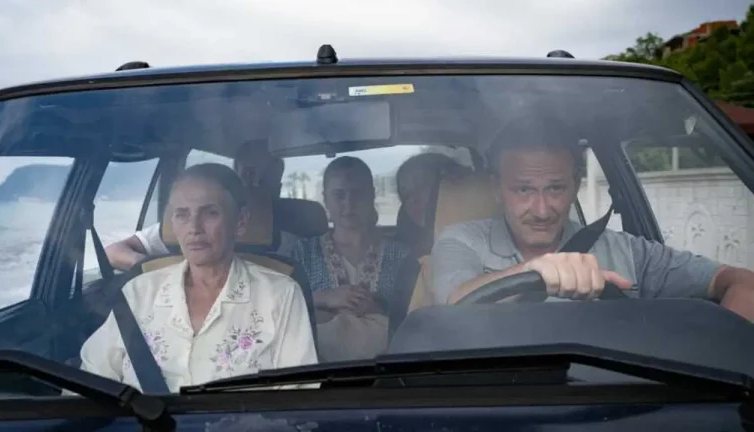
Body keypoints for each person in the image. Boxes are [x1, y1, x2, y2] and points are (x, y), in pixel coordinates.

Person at [429, 124, 754, 321]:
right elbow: (453, 301)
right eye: (523, 190)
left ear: (575, 185)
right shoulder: (461, 241)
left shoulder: (629, 252)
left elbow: (741, 281)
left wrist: (723, 357)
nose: (541, 210)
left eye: (556, 188)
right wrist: (533, 271)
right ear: (496, 190)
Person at [76, 163, 317, 392]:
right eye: (182, 214)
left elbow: (299, 393)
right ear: (172, 222)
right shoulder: (139, 291)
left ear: (240, 222)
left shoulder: (280, 294)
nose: (194, 228)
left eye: (210, 213)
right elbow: (92, 380)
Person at [106, 141, 297, 271]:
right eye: (247, 174)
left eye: (263, 180)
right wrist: (158, 270)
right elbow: (113, 252)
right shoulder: (177, 229)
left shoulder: (294, 245)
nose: (194, 228)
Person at [292, 156, 410, 361]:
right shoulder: (302, 253)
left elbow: (419, 316)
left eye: (358, 194)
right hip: (316, 368)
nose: (349, 203)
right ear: (326, 199)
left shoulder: (401, 256)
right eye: (339, 195)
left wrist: (378, 309)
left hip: (388, 369)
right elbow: (278, 307)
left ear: (372, 195)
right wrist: (323, 297)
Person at [395, 152, 471, 256]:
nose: (413, 199)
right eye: (406, 194)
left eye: (422, 185)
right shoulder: (400, 257)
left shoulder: (485, 240)